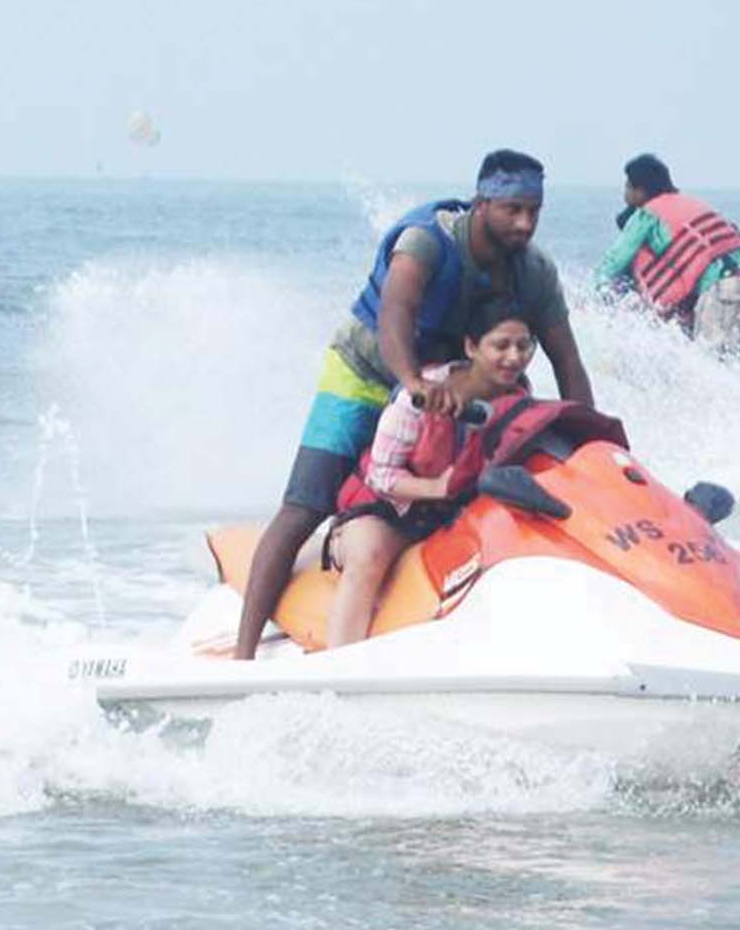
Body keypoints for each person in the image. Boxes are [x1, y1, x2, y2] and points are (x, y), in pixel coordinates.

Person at [234, 149, 595, 658]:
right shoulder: (427, 241)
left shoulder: (533, 271)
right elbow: (396, 314)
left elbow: (567, 360)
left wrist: (589, 442)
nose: (525, 222)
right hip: (368, 372)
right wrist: (412, 384)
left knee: (510, 474)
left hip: (450, 384)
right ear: (481, 202)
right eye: (513, 209)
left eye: (534, 211)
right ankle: (242, 654)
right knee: (304, 506)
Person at [323, 298, 533, 647]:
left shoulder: (520, 398)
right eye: (501, 345)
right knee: (368, 557)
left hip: (454, 518)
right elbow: (381, 474)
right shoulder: (419, 396)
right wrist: (438, 487)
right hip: (389, 512)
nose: (514, 357)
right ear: (471, 347)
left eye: (523, 346)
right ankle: (336, 665)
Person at [596, 152, 740, 368]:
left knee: (713, 368)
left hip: (721, 289)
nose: (625, 194)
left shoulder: (646, 215)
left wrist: (591, 305)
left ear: (639, 191)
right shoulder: (692, 204)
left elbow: (611, 264)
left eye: (627, 187)